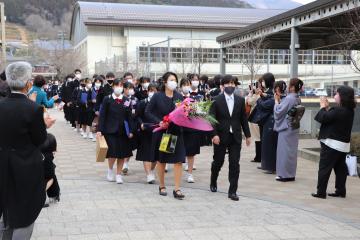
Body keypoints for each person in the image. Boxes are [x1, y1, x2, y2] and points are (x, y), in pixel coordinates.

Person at [0, 62, 48, 240]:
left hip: (3, 162)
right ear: (28, 83)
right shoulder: (33, 108)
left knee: (6, 205)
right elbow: (39, 140)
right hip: (26, 165)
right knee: (25, 209)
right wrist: (45, 125)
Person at [209, 74, 251, 201]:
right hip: (220, 136)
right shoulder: (215, 100)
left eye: (233, 83)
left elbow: (243, 119)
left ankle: (233, 190)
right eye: (228, 83)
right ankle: (213, 180)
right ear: (222, 86)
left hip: (235, 137)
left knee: (234, 163)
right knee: (218, 161)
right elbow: (211, 119)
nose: (231, 86)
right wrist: (214, 134)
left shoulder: (240, 100)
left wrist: (248, 135)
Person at [145, 72, 186, 199]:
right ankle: (162, 185)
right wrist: (159, 122)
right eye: (171, 80)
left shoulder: (179, 96)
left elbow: (184, 113)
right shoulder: (157, 96)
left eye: (175, 80)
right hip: (163, 133)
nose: (174, 82)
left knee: (179, 160)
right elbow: (148, 111)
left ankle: (177, 189)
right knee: (161, 160)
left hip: (176, 132)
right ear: (165, 82)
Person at [312, 86, 356, 199]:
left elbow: (322, 118)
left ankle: (321, 192)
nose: (335, 96)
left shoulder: (338, 110)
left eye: (337, 94)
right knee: (340, 169)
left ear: (342, 97)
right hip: (343, 146)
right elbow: (330, 118)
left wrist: (322, 106)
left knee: (324, 168)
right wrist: (326, 108)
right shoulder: (349, 111)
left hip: (332, 144)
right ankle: (340, 190)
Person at [97, 79, 134, 184]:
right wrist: (100, 130)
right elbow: (103, 115)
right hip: (110, 131)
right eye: (116, 85)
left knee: (122, 154)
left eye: (121, 85)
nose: (119, 87)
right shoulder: (107, 99)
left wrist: (131, 130)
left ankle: (118, 175)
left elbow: (129, 116)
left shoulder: (126, 100)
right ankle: (110, 171)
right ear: (113, 87)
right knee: (112, 154)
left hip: (123, 131)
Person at [274, 79, 303, 182]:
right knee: (292, 152)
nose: (287, 87)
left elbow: (279, 111)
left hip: (286, 127)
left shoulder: (289, 98)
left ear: (292, 87)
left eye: (289, 85)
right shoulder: (297, 98)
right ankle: (291, 174)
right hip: (294, 126)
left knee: (284, 151)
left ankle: (284, 174)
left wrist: (277, 102)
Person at [135, 83, 158, 183]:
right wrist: (141, 124)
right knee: (146, 153)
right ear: (148, 92)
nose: (152, 93)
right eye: (151, 91)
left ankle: (151, 170)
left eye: (155, 91)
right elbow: (137, 115)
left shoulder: (159, 104)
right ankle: (148, 174)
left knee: (156, 154)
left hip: (157, 130)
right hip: (145, 131)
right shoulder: (142, 102)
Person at [256, 73, 278, 174]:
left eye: (264, 80)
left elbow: (266, 105)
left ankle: (270, 166)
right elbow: (268, 97)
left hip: (270, 121)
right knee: (266, 144)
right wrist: (262, 95)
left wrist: (259, 99)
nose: (262, 83)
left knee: (269, 145)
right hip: (267, 121)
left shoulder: (273, 92)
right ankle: (266, 164)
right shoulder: (270, 92)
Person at [122, 82, 139, 175]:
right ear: (124, 89)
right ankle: (122, 163)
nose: (131, 90)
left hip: (133, 124)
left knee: (130, 145)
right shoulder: (121, 99)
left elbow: (137, 110)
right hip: (123, 124)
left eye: (132, 88)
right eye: (129, 88)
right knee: (123, 145)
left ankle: (125, 163)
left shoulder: (135, 99)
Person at [41, 133, 60, 207]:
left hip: (34, 170)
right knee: (52, 178)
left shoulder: (37, 151)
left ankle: (54, 195)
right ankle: (41, 194)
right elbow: (50, 173)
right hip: (46, 170)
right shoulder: (49, 156)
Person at [246, 78, 263, 163]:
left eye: (258, 84)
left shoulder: (259, 94)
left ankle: (258, 157)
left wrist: (250, 94)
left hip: (256, 118)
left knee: (257, 138)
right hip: (258, 118)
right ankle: (259, 156)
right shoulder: (262, 93)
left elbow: (249, 102)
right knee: (258, 138)